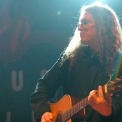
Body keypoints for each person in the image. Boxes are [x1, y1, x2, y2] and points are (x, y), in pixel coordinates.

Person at [31, 2, 122, 122]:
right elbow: (43, 86)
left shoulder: (119, 63)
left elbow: (117, 111)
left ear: (103, 26)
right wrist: (43, 112)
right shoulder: (72, 57)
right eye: (79, 23)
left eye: (85, 22)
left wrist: (107, 111)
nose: (79, 28)